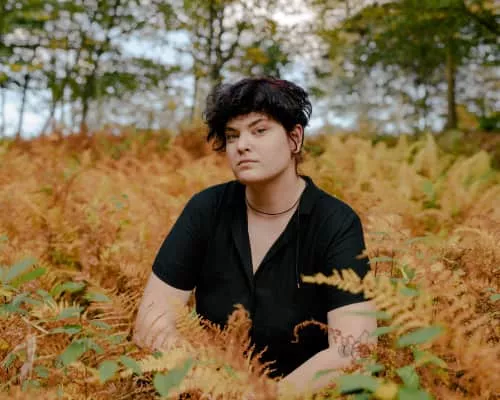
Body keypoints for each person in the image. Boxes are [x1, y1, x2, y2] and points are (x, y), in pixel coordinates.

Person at [133, 76, 377, 395]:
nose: (242, 145)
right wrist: (214, 383)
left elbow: (355, 348)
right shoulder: (206, 209)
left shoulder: (334, 222)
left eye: (259, 130)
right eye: (232, 135)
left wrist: (263, 396)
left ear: (294, 138)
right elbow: (150, 325)